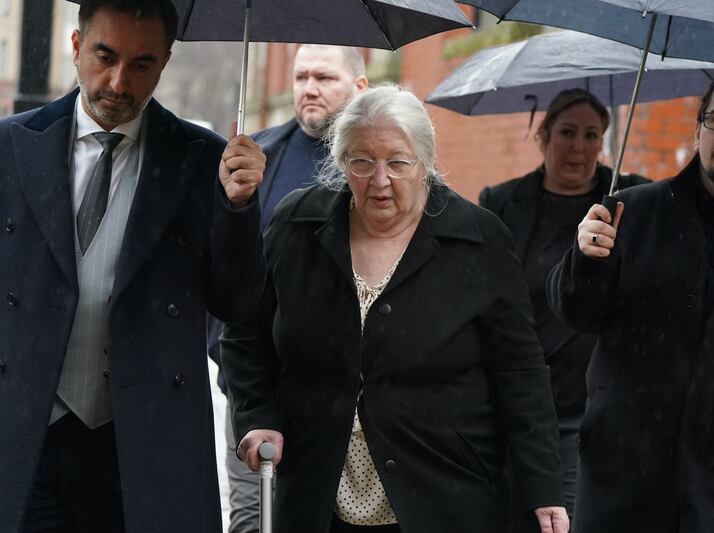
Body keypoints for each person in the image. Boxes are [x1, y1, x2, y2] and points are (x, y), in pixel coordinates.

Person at [220, 85, 569, 533]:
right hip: (316, 487)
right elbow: (245, 332)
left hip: (443, 493)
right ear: (341, 163)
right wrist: (257, 417)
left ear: (425, 163)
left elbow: (521, 373)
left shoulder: (479, 240)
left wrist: (543, 490)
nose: (380, 180)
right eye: (362, 162)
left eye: (398, 162)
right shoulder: (296, 225)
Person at [0, 1, 266, 532]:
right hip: (25, 430)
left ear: (165, 61)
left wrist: (239, 209)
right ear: (76, 47)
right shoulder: (9, 147)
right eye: (105, 56)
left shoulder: (202, 159)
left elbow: (236, 302)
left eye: (142, 64)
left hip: (144, 443)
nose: (119, 82)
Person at [548, 70, 714, 532]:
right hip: (624, 484)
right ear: (698, 128)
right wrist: (585, 257)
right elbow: (576, 311)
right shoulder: (631, 212)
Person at [207, 44, 368, 533]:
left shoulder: (374, 164)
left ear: (360, 87)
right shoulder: (254, 157)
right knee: (254, 517)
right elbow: (222, 260)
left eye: (324, 77)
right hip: (255, 383)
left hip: (341, 395)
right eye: (300, 78)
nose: (309, 89)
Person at [479, 88, 648, 517]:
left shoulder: (631, 201)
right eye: (567, 132)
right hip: (514, 401)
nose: (579, 146)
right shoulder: (501, 203)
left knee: (564, 518)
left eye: (592, 135)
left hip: (586, 404)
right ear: (544, 137)